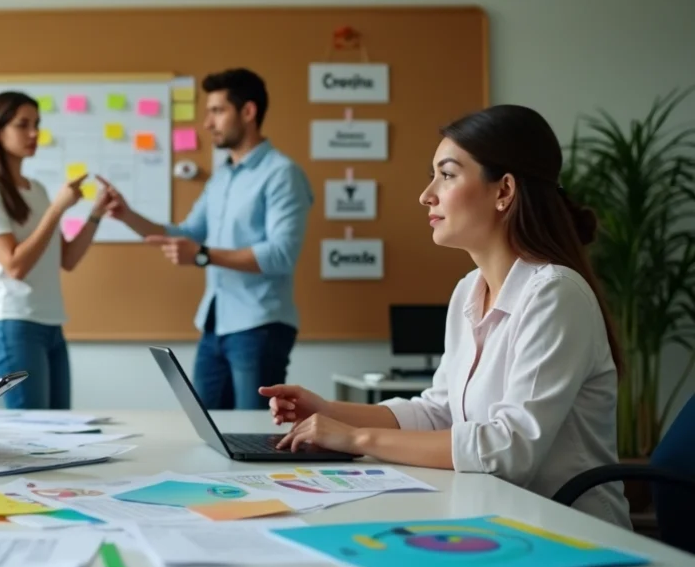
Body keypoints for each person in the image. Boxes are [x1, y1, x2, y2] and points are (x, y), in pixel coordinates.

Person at [260, 104, 630, 528]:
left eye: (448, 174)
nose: (427, 194)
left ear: (503, 191)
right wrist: (329, 411)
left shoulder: (554, 294)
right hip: (497, 520)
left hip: (573, 534)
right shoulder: (468, 291)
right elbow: (440, 413)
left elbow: (508, 451)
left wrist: (356, 439)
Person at [100, 68, 313, 410]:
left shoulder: (281, 174)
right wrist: (127, 215)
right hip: (214, 325)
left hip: (259, 327)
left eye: (217, 111)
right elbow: (187, 234)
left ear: (248, 112)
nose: (207, 123)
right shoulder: (222, 176)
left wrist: (202, 255)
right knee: (209, 428)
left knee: (254, 433)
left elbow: (281, 254)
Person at [0, 91, 112, 410]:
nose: (34, 133)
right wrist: (56, 210)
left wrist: (95, 214)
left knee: (59, 431)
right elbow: (15, 265)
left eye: (37, 124)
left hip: (50, 324)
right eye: (23, 125)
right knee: (33, 433)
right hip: (12, 323)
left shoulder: (38, 190)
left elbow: (67, 259)